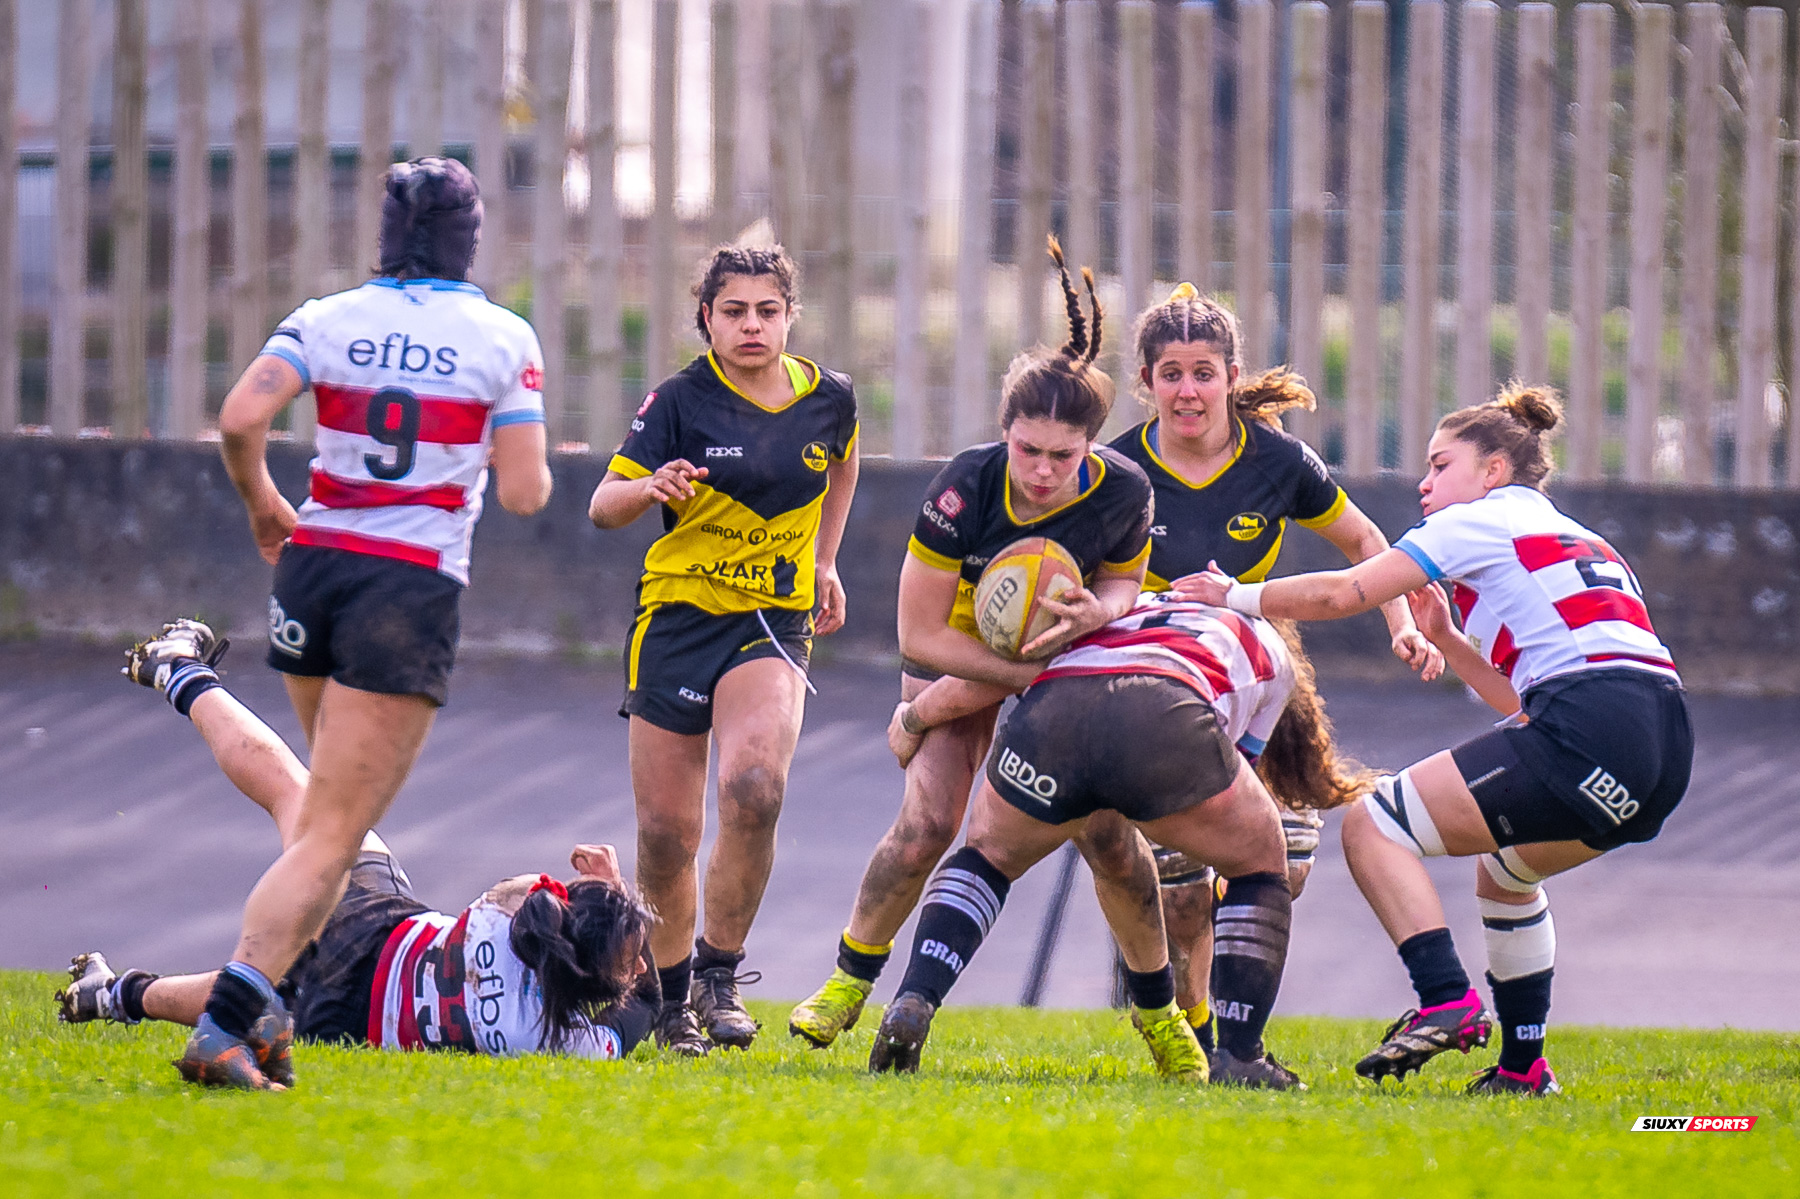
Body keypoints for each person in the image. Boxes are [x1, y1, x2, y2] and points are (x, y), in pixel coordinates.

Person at [1180, 384, 1691, 1095]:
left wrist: (1233, 594)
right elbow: (1523, 703)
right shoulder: (1579, 538)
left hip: (1594, 720)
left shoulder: (1479, 522)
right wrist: (1447, 638)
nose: (1423, 482)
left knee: (1372, 824)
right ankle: (1522, 1068)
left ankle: (1446, 995)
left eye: (1440, 463)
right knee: (1508, 875)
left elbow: (1346, 592)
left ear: (1493, 473)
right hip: (1663, 747)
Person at [187, 157, 554, 1088]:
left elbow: (239, 417)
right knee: (334, 837)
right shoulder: (501, 336)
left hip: (312, 568)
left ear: (384, 234)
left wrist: (264, 502)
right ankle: (228, 1021)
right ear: (471, 237)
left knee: (323, 817)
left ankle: (265, 1015)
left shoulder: (327, 317)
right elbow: (524, 491)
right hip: (406, 585)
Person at [788, 238, 1166, 1053]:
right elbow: (918, 631)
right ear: (1005, 431)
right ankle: (848, 982)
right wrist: (1016, 674)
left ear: (1093, 447)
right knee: (925, 824)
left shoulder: (1124, 492)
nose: (1040, 469)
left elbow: (1124, 589)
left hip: (1062, 665)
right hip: (969, 654)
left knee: (1109, 839)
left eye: (1062, 457)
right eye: (1026, 449)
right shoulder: (964, 485)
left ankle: (1164, 1015)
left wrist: (1094, 616)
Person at [57, 621, 656, 1073]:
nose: (637, 964)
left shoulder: (506, 922)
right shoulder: (559, 1045)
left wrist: (609, 895)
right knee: (255, 991)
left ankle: (178, 671)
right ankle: (110, 995)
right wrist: (619, 943)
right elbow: (645, 1004)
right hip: (343, 1020)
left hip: (368, 926)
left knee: (293, 788)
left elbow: (520, 896)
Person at [1109, 283, 1444, 1050]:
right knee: (1183, 895)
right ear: (1147, 383)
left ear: (1232, 376)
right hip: (1159, 683)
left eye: (1203, 371)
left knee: (1281, 867)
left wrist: (1403, 624)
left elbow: (1368, 546)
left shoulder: (1280, 462)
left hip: (1263, 673)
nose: (1187, 390)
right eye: (1170, 373)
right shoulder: (1117, 471)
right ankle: (1197, 1038)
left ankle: (1227, 1025)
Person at [868, 593, 1368, 1087]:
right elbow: (1231, 775)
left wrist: (915, 716)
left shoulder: (1122, 607)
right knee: (1258, 857)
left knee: (987, 857)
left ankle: (916, 996)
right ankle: (1239, 1054)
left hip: (1052, 711)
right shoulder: (1269, 650)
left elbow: (994, 677)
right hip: (1163, 711)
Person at [588, 245, 859, 1054]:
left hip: (770, 619)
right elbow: (604, 505)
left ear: (789, 316)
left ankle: (718, 973)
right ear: (705, 315)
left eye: (766, 311)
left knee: (755, 788)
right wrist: (648, 487)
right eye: (733, 311)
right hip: (676, 620)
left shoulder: (829, 399)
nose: (751, 326)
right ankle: (670, 1002)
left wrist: (823, 561)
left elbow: (841, 470)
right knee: (668, 832)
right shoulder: (678, 400)